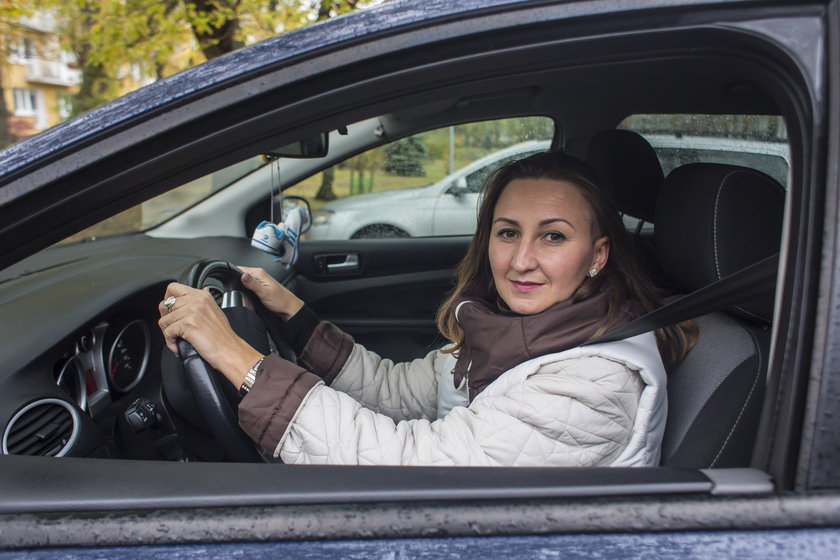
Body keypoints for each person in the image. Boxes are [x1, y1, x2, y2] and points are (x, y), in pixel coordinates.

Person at [158, 151, 693, 466]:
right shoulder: (515, 328)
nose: (521, 260)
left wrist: (237, 359)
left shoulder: (594, 382)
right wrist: (293, 315)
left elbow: (414, 466)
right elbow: (399, 392)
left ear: (597, 255)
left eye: (553, 237)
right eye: (508, 233)